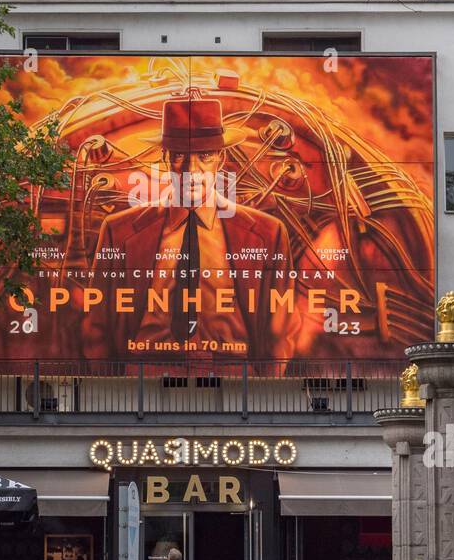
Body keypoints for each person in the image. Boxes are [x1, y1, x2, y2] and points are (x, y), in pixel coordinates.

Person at [83, 95, 296, 363]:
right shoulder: (119, 231)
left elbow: (281, 327)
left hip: (234, 373)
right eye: (180, 156)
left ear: (221, 157)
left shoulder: (267, 233)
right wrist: (112, 391)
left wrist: (265, 391)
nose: (191, 170)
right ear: (165, 158)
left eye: (205, 156)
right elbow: (97, 323)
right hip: (142, 372)